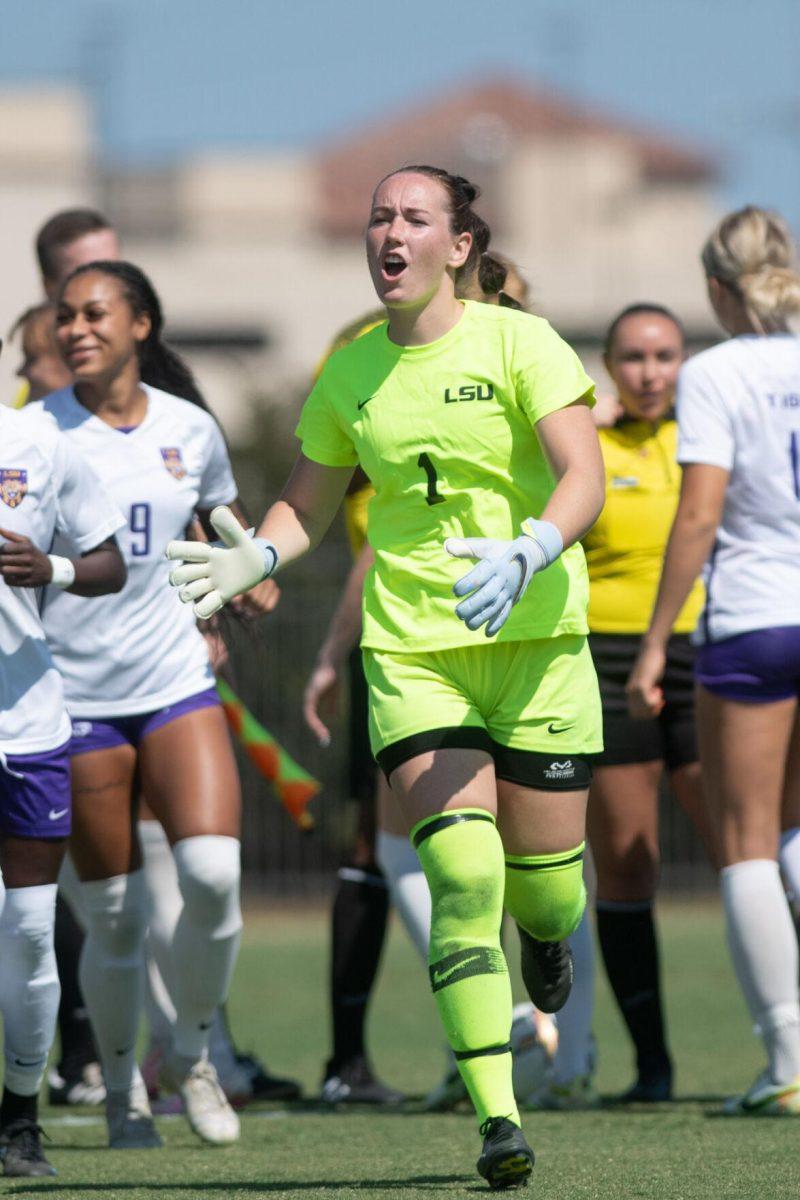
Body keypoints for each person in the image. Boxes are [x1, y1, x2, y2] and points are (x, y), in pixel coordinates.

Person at [168, 165, 605, 1189]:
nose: (389, 234)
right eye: (377, 218)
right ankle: (497, 1118)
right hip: (412, 655)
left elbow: (580, 473)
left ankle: (547, 948)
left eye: (413, 218)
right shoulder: (349, 371)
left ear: (457, 245)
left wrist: (530, 548)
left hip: (538, 646)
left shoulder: (519, 341)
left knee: (547, 901)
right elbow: (305, 505)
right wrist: (255, 557)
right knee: (460, 877)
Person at [26, 259, 266, 1149]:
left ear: (142, 325)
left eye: (95, 313)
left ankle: (194, 1055)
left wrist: (248, 580)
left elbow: (219, 525)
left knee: (212, 879)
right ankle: (124, 1089)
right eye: (65, 316)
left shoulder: (192, 429)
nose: (76, 328)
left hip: (175, 684)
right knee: (118, 918)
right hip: (77, 700)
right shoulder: (31, 435)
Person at [303, 256, 540, 1113]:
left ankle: (512, 1013)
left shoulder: (493, 368)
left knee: (470, 862)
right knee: (460, 859)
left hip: (478, 647)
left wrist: (330, 655)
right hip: (420, 652)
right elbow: (364, 556)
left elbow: (372, 561)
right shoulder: (371, 384)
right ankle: (503, 1041)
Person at [627, 205, 800, 1115]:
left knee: (746, 845)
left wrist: (657, 641)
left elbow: (698, 516)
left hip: (755, 622)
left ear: (715, 289)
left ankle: (786, 1061)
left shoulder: (719, 371)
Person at [534, 303, 717, 1110]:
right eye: (634, 357)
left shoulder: (709, 435)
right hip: (606, 662)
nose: (651, 371)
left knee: (748, 853)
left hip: (707, 656)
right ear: (608, 366)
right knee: (628, 865)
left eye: (666, 355)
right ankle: (653, 1068)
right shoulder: (585, 447)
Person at [0, 404, 126, 1176]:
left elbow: (109, 560)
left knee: (30, 935)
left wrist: (53, 569)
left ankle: (19, 1119)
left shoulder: (38, 445)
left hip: (29, 726)